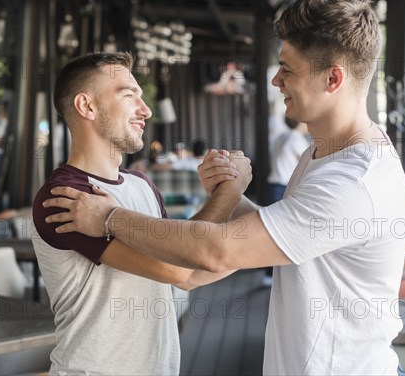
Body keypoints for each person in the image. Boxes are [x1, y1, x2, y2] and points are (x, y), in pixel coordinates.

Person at [44, 0, 405, 375]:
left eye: (288, 69)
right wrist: (231, 196)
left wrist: (110, 217)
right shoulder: (320, 155)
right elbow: (286, 235)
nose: (275, 79)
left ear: (333, 78)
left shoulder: (354, 181)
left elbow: (215, 253)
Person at [31, 52, 251, 375]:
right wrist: (233, 190)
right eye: (129, 95)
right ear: (86, 106)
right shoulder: (66, 196)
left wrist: (276, 247)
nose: (145, 110)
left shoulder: (141, 184)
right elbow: (182, 270)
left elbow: (188, 260)